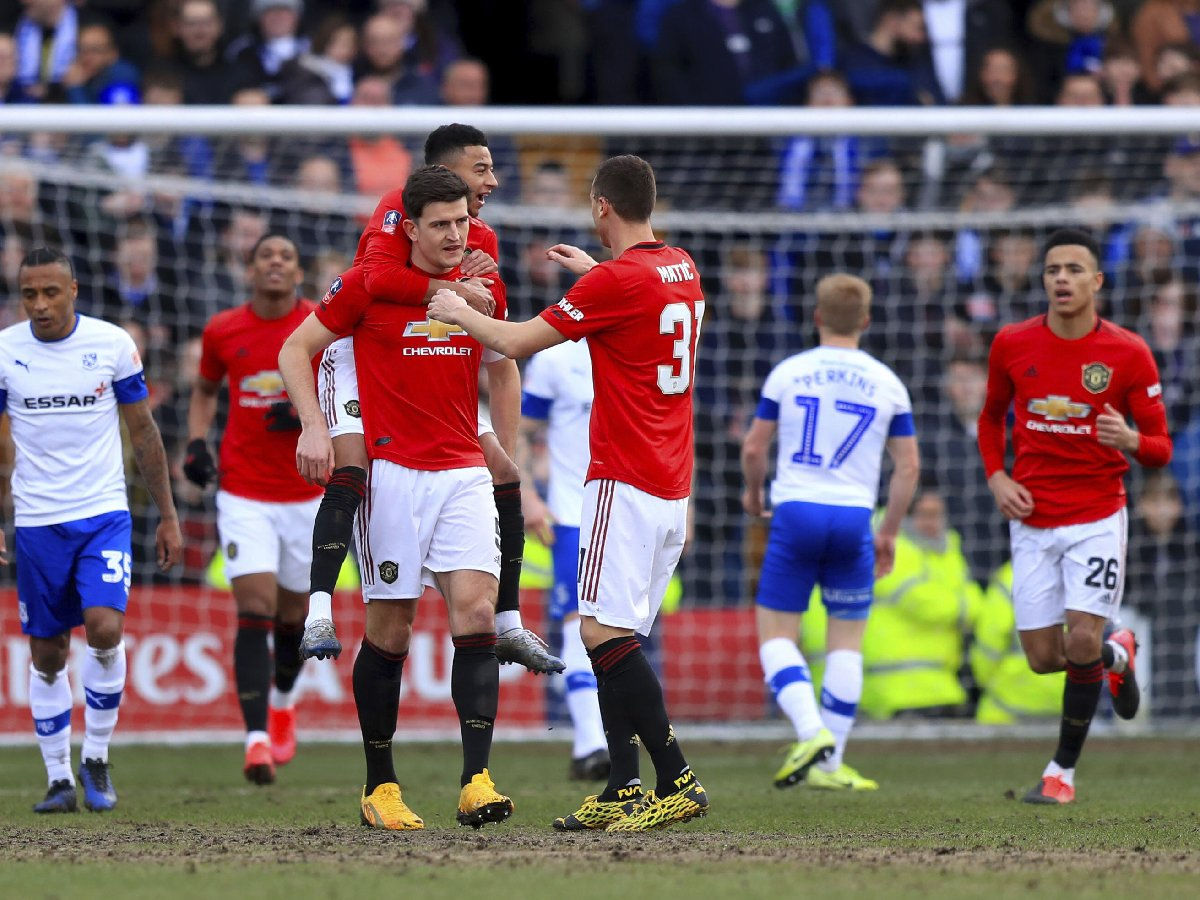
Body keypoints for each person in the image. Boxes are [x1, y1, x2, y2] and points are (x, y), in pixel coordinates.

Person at [428, 154, 710, 833]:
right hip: (672, 484)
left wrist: (455, 309)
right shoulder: (681, 268)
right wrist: (596, 275)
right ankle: (621, 786)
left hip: (624, 480)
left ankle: (676, 777)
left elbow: (517, 339)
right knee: (616, 634)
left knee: (599, 633)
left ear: (600, 207)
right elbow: (637, 298)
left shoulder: (617, 284)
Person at [278, 166, 515, 832]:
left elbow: (505, 354)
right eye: (439, 224)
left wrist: (502, 443)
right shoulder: (367, 286)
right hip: (394, 477)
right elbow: (298, 348)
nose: (453, 234)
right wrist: (314, 424)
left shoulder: (482, 281)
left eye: (462, 222)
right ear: (407, 227)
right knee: (392, 628)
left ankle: (476, 780)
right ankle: (380, 785)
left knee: (474, 611)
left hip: (461, 469)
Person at [297, 122, 562, 676]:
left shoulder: (481, 237)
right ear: (443, 174)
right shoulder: (396, 207)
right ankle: (318, 610)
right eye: (481, 169)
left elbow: (500, 353)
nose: (493, 181)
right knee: (353, 464)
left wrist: (503, 448)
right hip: (360, 349)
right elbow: (374, 275)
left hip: (433, 373)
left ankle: (508, 620)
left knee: (504, 473)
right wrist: (455, 289)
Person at [977, 227, 1173, 804]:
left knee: (1081, 638)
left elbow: (1161, 446)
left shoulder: (1128, 352)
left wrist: (1130, 439)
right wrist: (997, 477)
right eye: (1052, 269)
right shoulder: (1012, 343)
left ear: (1097, 281)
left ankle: (1061, 773)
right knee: (1044, 658)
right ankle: (1121, 653)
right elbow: (990, 420)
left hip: (1096, 515)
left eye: (1073, 269)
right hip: (1033, 514)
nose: (1061, 278)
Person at [0, 246, 182, 813]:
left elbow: (145, 433)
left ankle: (96, 757)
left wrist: (169, 515)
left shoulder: (110, 345)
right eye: (29, 294)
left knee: (104, 629)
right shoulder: (5, 352)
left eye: (51, 292)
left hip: (102, 513)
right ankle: (58, 778)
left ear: (73, 290)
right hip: (36, 520)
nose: (40, 305)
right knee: (48, 653)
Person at [739, 273, 919, 792]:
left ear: (816, 317)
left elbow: (754, 448)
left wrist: (755, 494)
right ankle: (831, 763)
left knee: (776, 635)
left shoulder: (790, 372)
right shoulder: (887, 382)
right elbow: (908, 468)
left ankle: (810, 730)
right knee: (847, 643)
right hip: (853, 516)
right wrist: (888, 530)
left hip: (796, 512)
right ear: (866, 321)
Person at [183, 233, 321, 786]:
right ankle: (256, 738)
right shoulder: (223, 330)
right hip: (243, 492)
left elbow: (344, 389)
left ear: (298, 272)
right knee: (255, 609)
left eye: (287, 256)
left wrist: (311, 419)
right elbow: (204, 391)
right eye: (266, 255)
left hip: (307, 492)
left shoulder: (320, 324)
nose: (275, 263)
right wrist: (196, 442)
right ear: (250, 268)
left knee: (292, 619)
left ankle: (284, 703)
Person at [519, 336, 610, 780]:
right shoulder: (555, 358)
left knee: (619, 631)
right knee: (579, 626)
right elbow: (521, 428)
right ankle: (591, 743)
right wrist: (527, 493)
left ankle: (601, 742)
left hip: (629, 511)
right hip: (574, 514)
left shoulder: (643, 345)